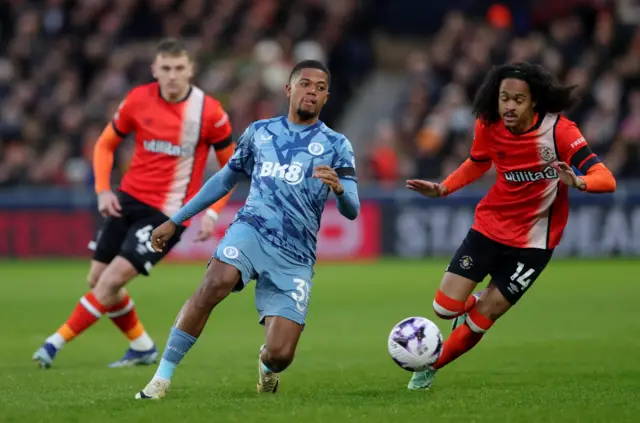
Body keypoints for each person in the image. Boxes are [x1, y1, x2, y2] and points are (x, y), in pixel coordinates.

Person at [134, 60, 360, 400]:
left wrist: (340, 191)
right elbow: (225, 179)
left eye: (320, 87)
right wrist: (176, 219)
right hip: (251, 230)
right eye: (305, 83)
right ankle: (161, 378)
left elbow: (352, 210)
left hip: (295, 256)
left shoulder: (337, 145)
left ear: (327, 97)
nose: (312, 90)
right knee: (214, 282)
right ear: (289, 89)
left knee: (281, 354)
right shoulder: (259, 132)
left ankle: (267, 366)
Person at [405, 62, 616, 390]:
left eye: (518, 99)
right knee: (444, 309)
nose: (509, 106)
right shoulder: (488, 125)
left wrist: (579, 182)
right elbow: (477, 162)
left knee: (480, 321)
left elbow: (607, 178)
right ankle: (470, 304)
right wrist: (444, 188)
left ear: (534, 101)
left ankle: (430, 364)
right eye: (504, 98)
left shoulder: (559, 131)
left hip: (534, 243)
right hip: (489, 228)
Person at [32, 38, 236, 369]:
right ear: (155, 70)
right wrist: (103, 190)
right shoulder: (138, 99)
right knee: (97, 280)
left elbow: (231, 170)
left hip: (167, 215)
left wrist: (212, 212)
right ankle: (141, 346)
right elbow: (105, 145)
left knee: (111, 281)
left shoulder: (210, 113)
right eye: (166, 69)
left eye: (179, 68)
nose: (172, 75)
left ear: (191, 70)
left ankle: (54, 343)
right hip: (126, 200)